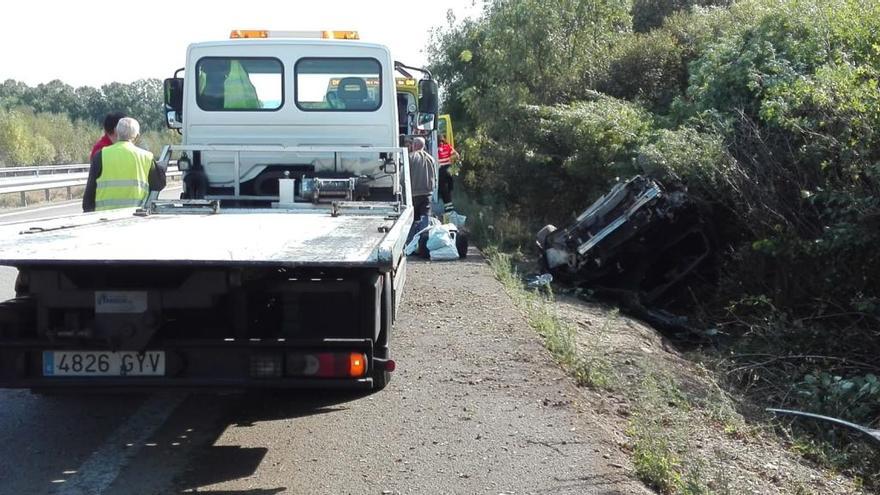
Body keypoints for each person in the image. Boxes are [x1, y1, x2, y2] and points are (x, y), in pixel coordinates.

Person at [82, 117, 166, 212]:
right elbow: (159, 184)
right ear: (137, 136)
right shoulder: (146, 157)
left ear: (116, 132)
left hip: (104, 218)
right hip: (135, 216)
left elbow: (89, 196)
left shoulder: (101, 155)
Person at [407, 136, 436, 227]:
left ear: (414, 145)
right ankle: (424, 236)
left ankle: (413, 237)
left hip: (413, 194)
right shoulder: (431, 159)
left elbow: (404, 176)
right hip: (427, 193)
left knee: (413, 219)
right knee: (425, 218)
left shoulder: (410, 157)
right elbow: (435, 176)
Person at [437, 135, 460, 213]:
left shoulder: (435, 148)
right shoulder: (448, 146)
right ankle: (449, 208)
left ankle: (447, 208)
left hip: (441, 170)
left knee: (442, 189)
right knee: (448, 189)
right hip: (449, 169)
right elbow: (457, 156)